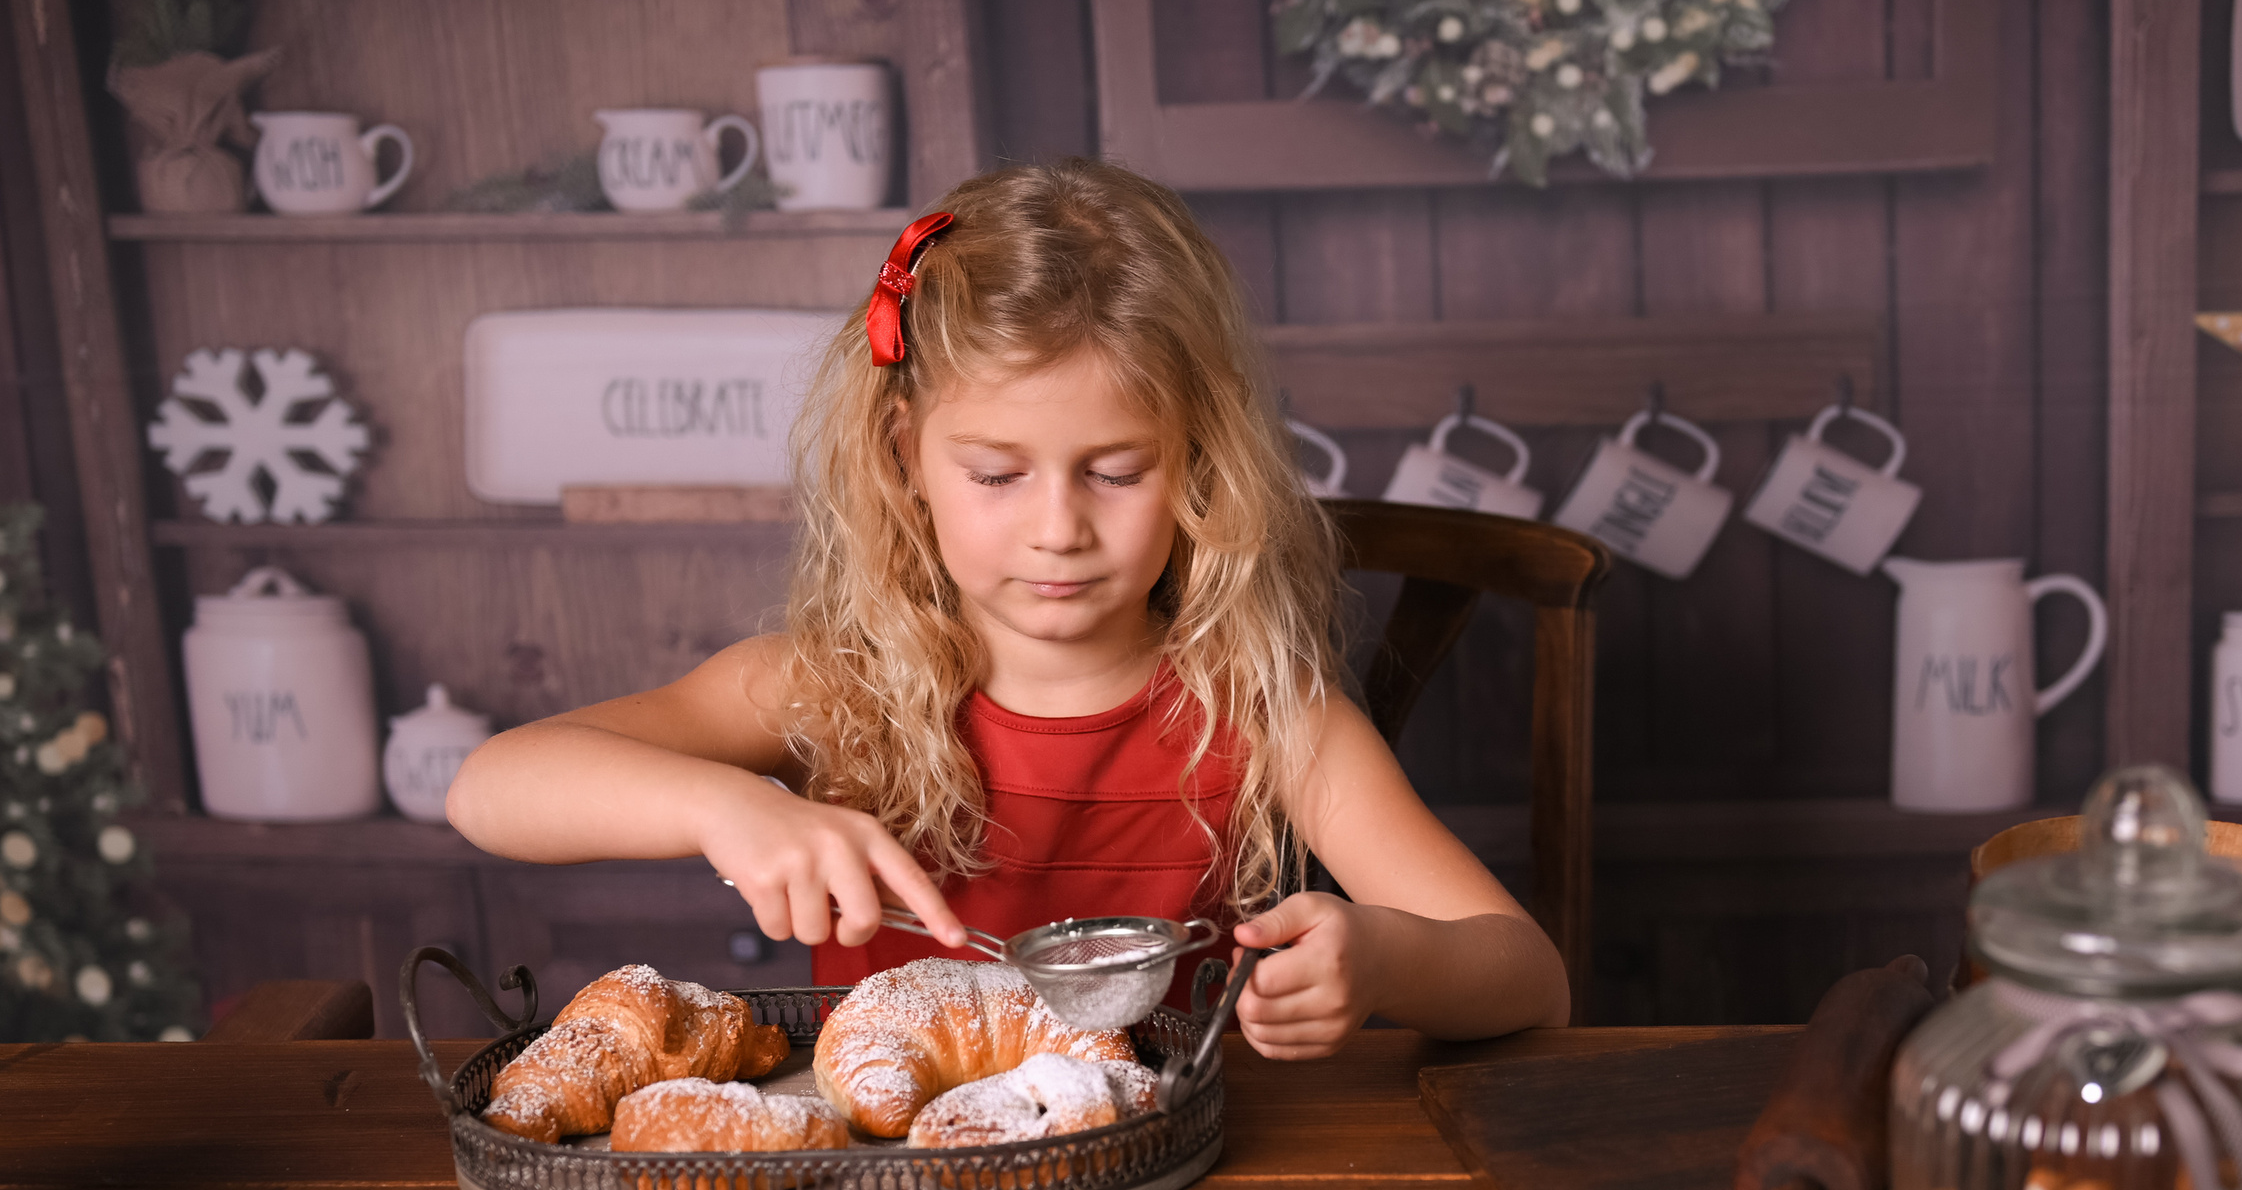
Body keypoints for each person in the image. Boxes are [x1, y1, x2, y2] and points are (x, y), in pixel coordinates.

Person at [445, 158, 1567, 1060]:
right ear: (905, 462)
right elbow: (489, 789)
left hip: (1167, 1184)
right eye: (997, 475)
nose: (1058, 528)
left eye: (1116, 472)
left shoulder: (1263, 709)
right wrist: (725, 807)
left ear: (1200, 466)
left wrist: (1381, 960)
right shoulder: (833, 687)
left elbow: (1530, 979)